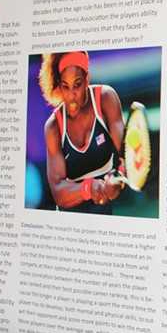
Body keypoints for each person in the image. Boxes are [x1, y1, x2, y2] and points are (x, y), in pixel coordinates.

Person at [40, 51, 125, 214]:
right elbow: (58, 191)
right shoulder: (53, 127)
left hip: (104, 214)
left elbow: (125, 155)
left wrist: (118, 178)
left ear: (87, 79)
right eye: (65, 86)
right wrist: (89, 188)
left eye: (77, 85)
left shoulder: (106, 98)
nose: (71, 95)